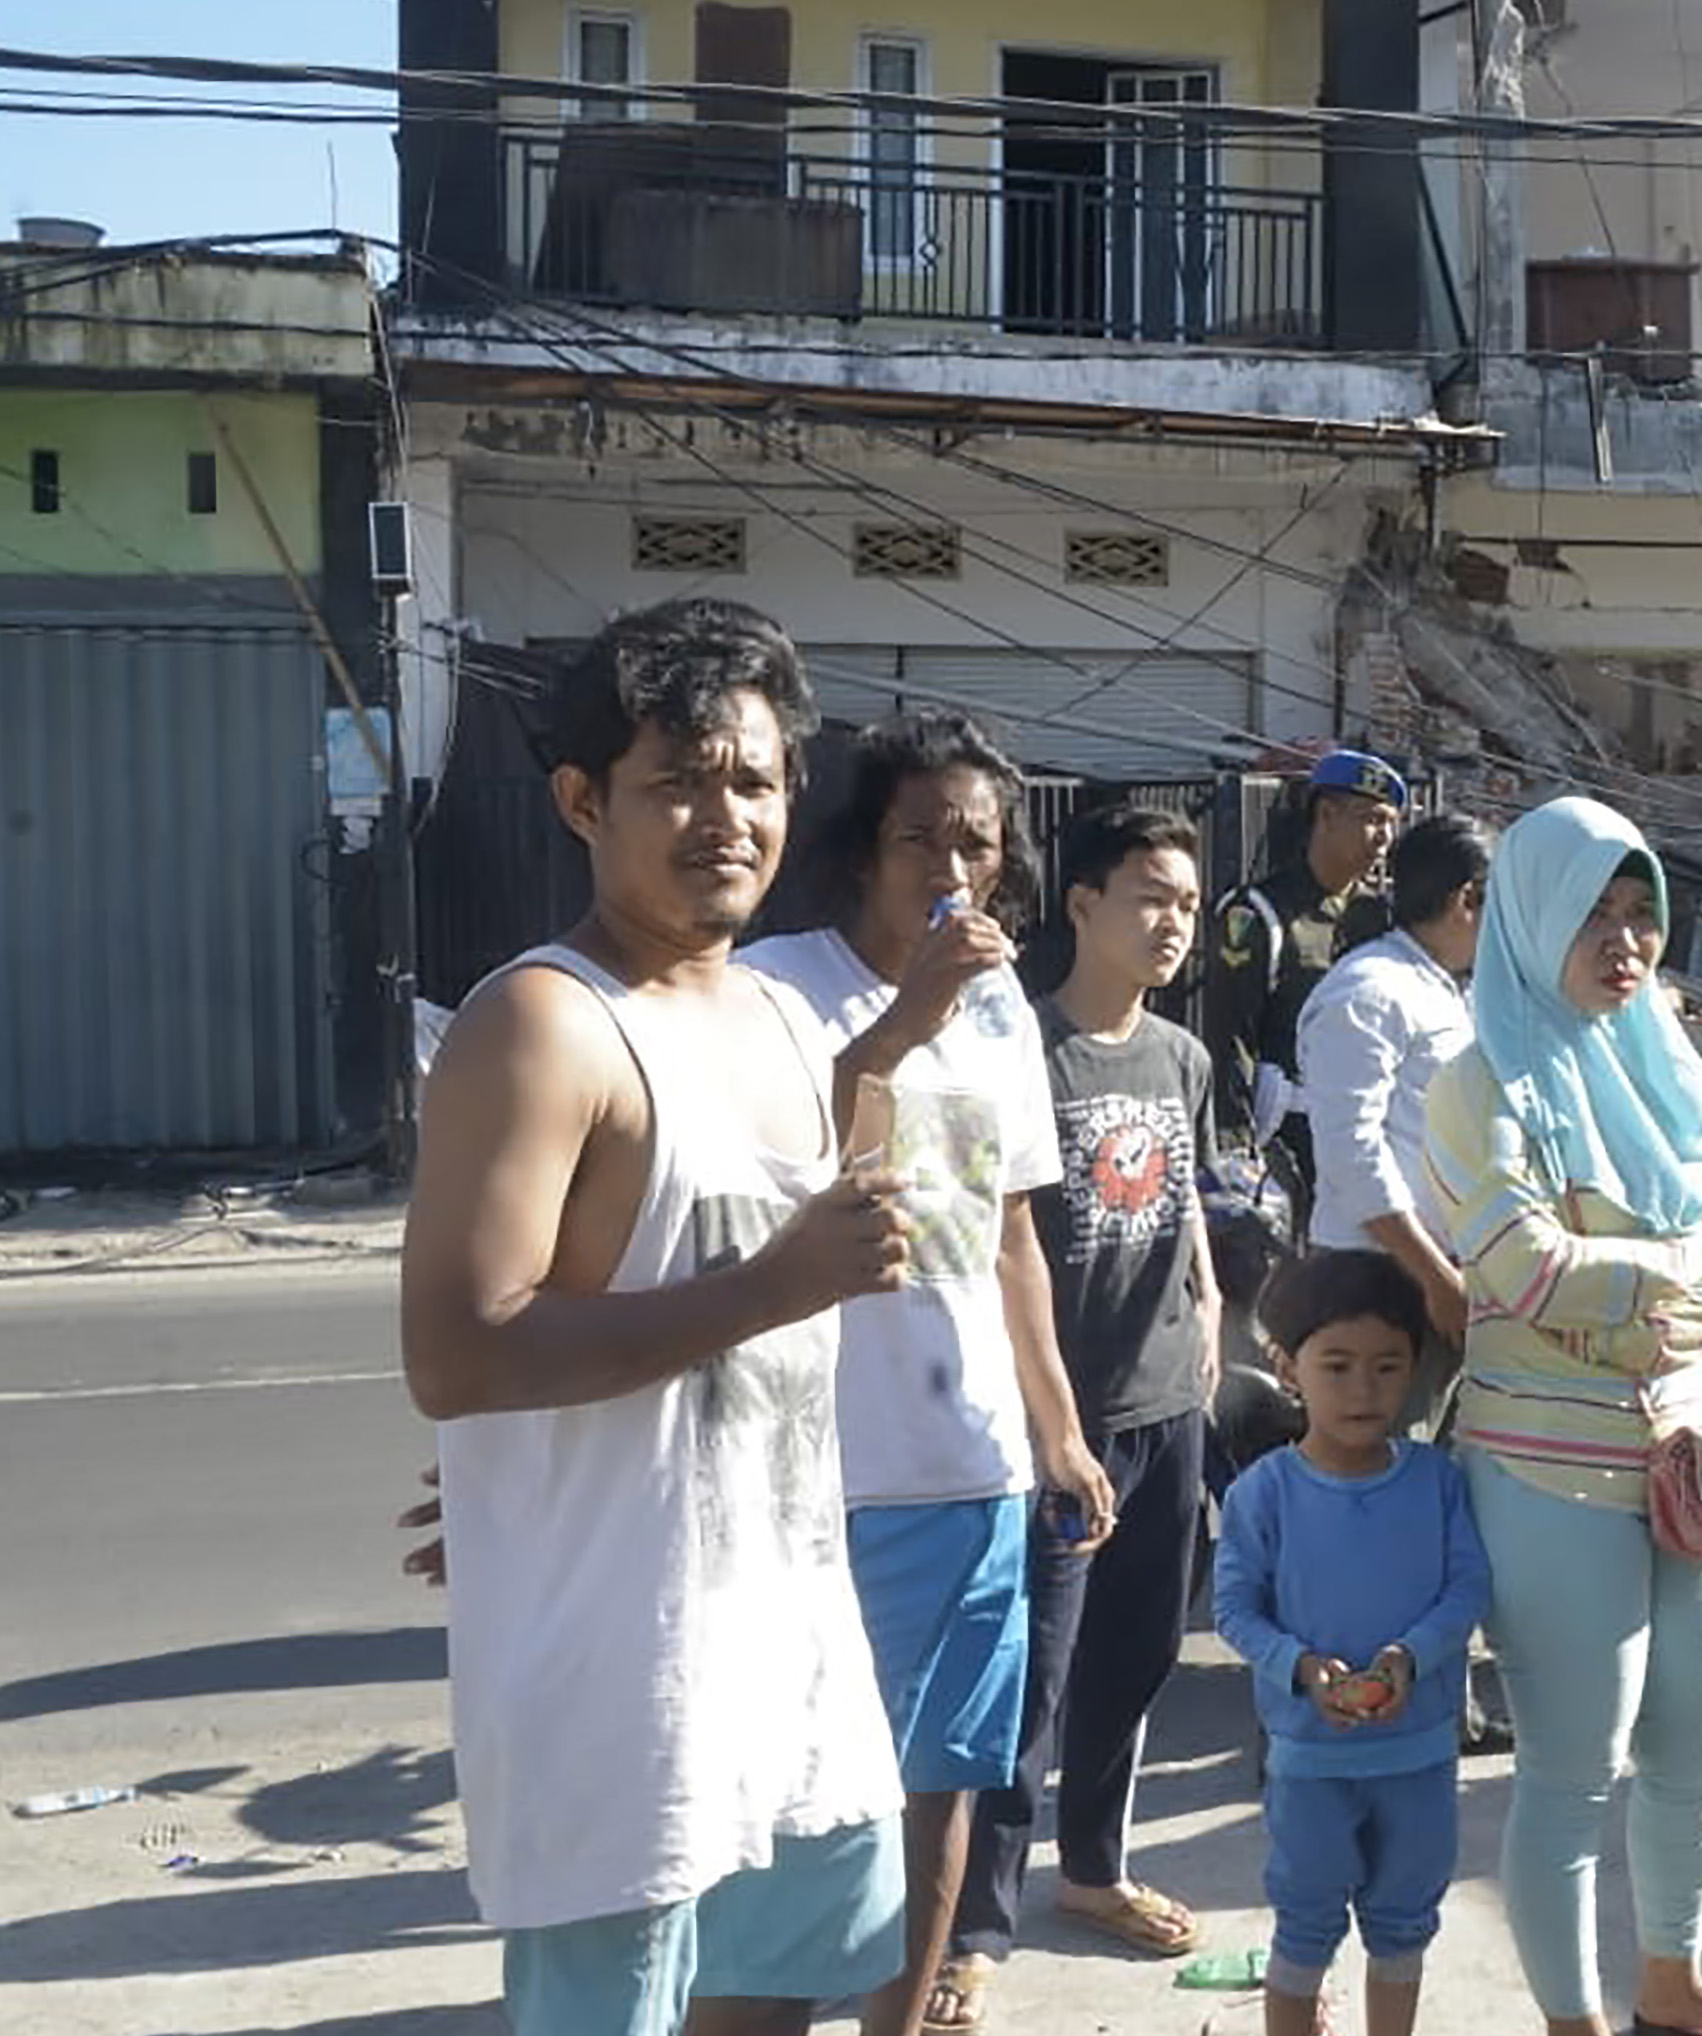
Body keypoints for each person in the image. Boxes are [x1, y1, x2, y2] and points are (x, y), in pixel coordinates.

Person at [400, 597, 908, 2036]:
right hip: (624, 1694)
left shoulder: (782, 1022)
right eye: (674, 780)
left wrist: (549, 1458)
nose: (721, 815)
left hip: (792, 1653)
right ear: (581, 801)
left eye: (750, 779)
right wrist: (770, 1288)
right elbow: (458, 1349)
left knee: (777, 2002)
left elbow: (621, 1333)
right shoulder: (543, 1026)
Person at [741, 713, 1121, 2036]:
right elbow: (797, 1162)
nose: (951, 866)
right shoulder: (779, 987)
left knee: (942, 1789)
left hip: (970, 1472)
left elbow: (1011, 1230)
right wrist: (913, 1013)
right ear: (860, 852)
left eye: (978, 839)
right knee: (801, 1804)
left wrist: (1057, 1434)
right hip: (821, 1479)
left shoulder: (1004, 1005)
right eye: (922, 837)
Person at [1424, 796, 1702, 2036]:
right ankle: (1571, 2018)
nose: (1624, 942)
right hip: (1547, 1471)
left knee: (1700, 1740)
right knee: (1573, 1770)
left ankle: (1669, 1979)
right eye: (1595, 914)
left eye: (1641, 914)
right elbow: (1519, 1269)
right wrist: (1674, 1268)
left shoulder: (1667, 1063)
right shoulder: (1473, 1087)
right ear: (1531, 922)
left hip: (1687, 1458)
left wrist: (1649, 1298)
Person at [941, 803, 1224, 2017]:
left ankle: (1095, 1869)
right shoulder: (1016, 1052)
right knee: (1031, 1682)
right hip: (1059, 1422)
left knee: (1137, 1655)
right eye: (1150, 896)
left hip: (1171, 1408)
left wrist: (1209, 1302)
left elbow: (1189, 1200)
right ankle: (971, 1925)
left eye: (1186, 903)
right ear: (1082, 904)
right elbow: (979, 1248)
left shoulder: (1184, 1055)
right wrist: (1049, 1424)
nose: (1171, 923)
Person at [1213, 1251, 1493, 2036]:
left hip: (1419, 1755)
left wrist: (1410, 1658)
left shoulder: (1437, 1481)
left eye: (1386, 1366)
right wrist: (1301, 1669)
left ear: (1413, 1367)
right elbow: (1234, 1610)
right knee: (1304, 1925)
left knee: (1404, 1923)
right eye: (1336, 1365)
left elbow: (1466, 1589)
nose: (1363, 1389)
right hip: (1308, 1760)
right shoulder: (1260, 1493)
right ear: (1289, 1367)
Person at [1297, 812, 1493, 1357]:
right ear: (1467, 900)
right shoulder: (1372, 991)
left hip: (1436, 1271)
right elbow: (1351, 1153)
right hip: (1376, 1277)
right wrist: (1435, 1278)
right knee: (1376, 1440)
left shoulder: (1445, 989)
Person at [1213, 749, 1404, 1211]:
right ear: (1326, 815)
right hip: (1286, 1131)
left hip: (1371, 1131)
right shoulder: (1258, 912)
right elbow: (1231, 1037)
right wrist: (1238, 1146)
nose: (1384, 838)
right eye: (1372, 819)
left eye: (1392, 823)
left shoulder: (1384, 916)